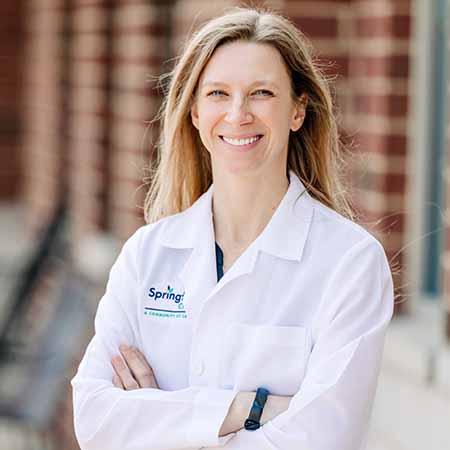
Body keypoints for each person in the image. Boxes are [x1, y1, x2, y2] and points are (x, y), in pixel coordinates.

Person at [71, 6, 394, 450]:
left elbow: (324, 439)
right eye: (218, 93)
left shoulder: (350, 263)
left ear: (298, 110)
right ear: (195, 114)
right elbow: (93, 419)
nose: (238, 113)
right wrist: (251, 408)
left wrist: (157, 419)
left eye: (261, 92)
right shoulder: (147, 254)